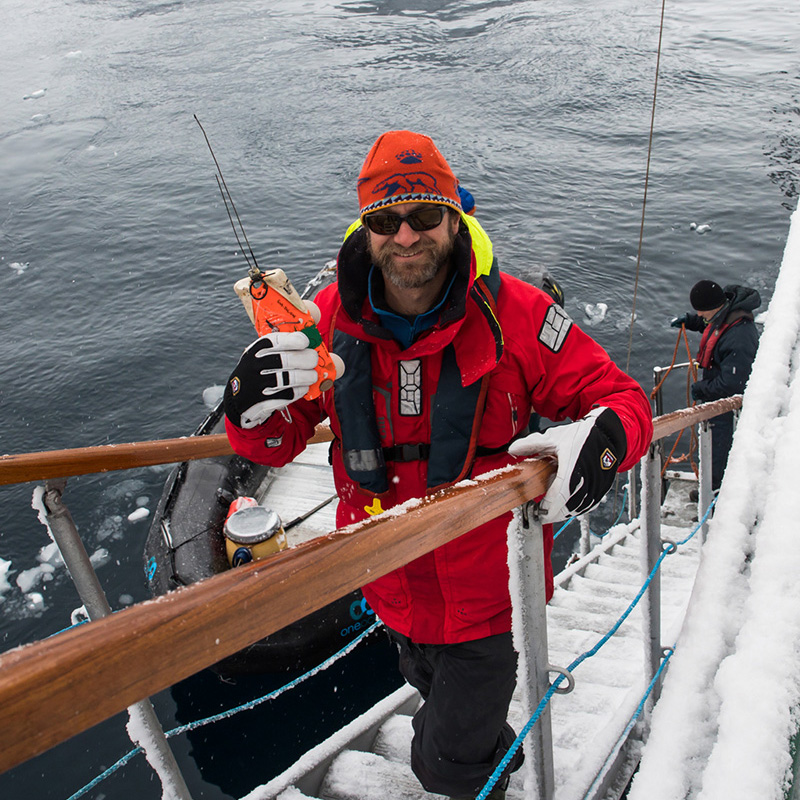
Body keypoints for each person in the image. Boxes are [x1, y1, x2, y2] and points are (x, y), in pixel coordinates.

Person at [224, 130, 653, 799]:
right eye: (385, 220)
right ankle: (496, 759)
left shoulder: (520, 314)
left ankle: (477, 772)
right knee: (440, 707)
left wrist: (601, 443)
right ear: (365, 230)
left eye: (425, 215)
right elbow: (276, 444)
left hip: (489, 598)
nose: (406, 236)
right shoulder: (325, 319)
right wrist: (247, 408)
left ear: (455, 218)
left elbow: (622, 399)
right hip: (387, 582)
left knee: (444, 766)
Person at [670, 279, 761, 491]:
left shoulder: (739, 338)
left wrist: (701, 389)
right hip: (717, 395)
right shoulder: (727, 311)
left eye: (701, 311)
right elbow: (711, 323)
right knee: (712, 448)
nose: (700, 314)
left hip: (726, 408)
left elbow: (733, 383)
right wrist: (691, 321)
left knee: (719, 452)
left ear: (714, 307)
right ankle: (711, 487)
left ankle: (714, 494)